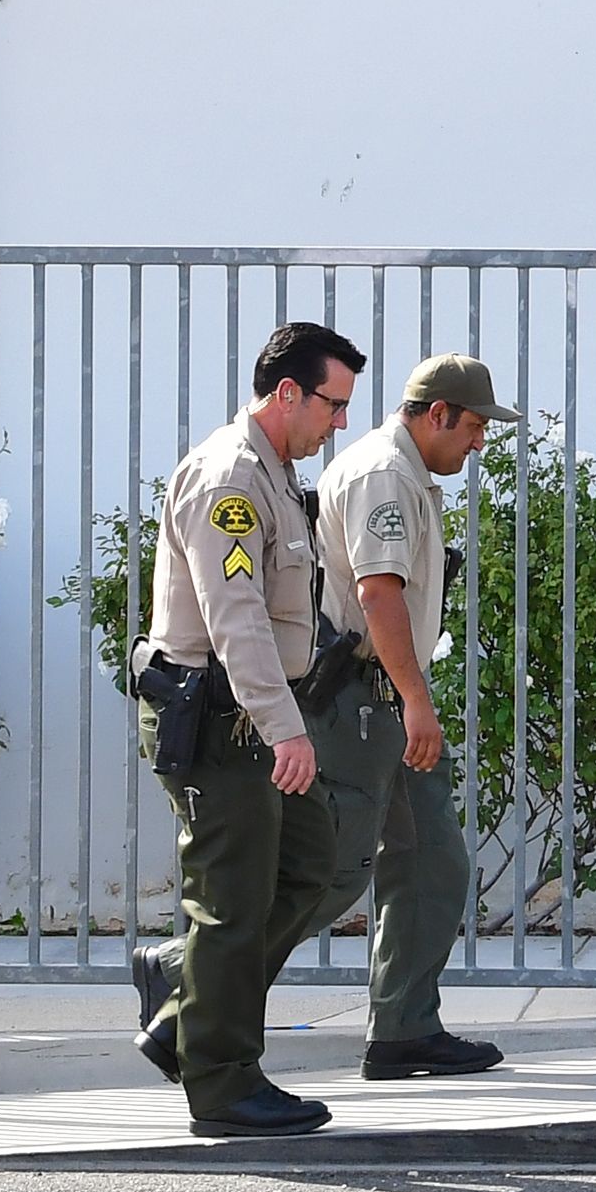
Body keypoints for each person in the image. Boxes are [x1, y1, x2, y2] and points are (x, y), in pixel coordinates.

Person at [124, 321, 358, 1136]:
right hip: (223, 718)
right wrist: (284, 727)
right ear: (286, 392)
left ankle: (182, 1003)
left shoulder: (277, 475)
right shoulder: (230, 478)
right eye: (332, 406)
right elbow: (238, 618)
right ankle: (222, 1087)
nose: (339, 426)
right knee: (231, 900)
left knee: (311, 865)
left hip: (255, 715)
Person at [315, 351, 504, 1079]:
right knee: (327, 875)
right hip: (359, 698)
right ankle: (187, 981)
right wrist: (416, 700)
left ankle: (402, 1028)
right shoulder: (383, 476)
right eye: (474, 426)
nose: (479, 442)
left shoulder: (407, 472)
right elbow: (378, 595)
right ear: (438, 414)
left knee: (431, 861)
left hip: (383, 695)